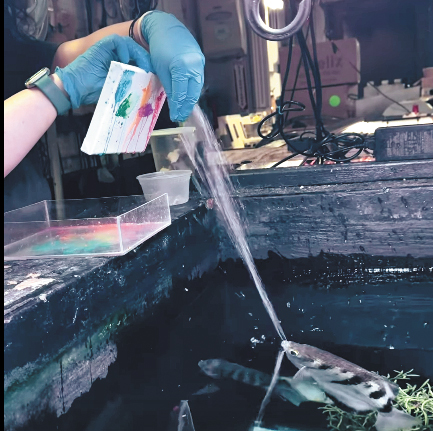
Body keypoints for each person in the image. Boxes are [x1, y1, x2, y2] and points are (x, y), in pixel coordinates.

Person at [4, 1, 205, 211]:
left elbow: (69, 54)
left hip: (31, 215)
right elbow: (68, 72)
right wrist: (59, 88)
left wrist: (144, 29)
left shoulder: (11, 49)